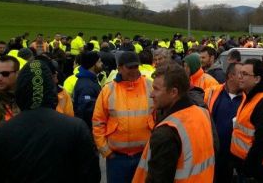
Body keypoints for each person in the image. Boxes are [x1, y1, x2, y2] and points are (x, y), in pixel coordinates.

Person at [0, 60, 101, 182]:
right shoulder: (76, 128)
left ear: (21, 89)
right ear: (50, 88)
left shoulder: (2, 132)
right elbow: (91, 175)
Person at [132, 64, 215, 182]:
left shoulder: (167, 131)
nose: (151, 94)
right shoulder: (202, 113)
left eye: (156, 89)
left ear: (173, 92)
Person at [93, 51, 155, 183]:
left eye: (136, 67)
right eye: (129, 67)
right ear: (119, 68)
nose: (134, 71)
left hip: (144, 156)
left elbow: (159, 117)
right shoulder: (108, 90)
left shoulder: (150, 86)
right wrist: (106, 151)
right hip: (117, 159)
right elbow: (98, 123)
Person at [231, 58, 263, 182]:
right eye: (239, 73)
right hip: (244, 168)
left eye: (245, 74)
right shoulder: (249, 96)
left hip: (258, 173)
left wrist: (248, 170)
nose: (240, 77)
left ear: (257, 79)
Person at [204, 62, 244, 183]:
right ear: (231, 76)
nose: (244, 77)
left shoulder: (248, 97)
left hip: (236, 156)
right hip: (213, 153)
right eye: (241, 74)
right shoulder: (211, 92)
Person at [73, 51, 103, 130]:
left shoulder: (90, 80)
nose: (101, 63)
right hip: (90, 129)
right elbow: (87, 113)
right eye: (99, 61)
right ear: (93, 65)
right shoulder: (87, 86)